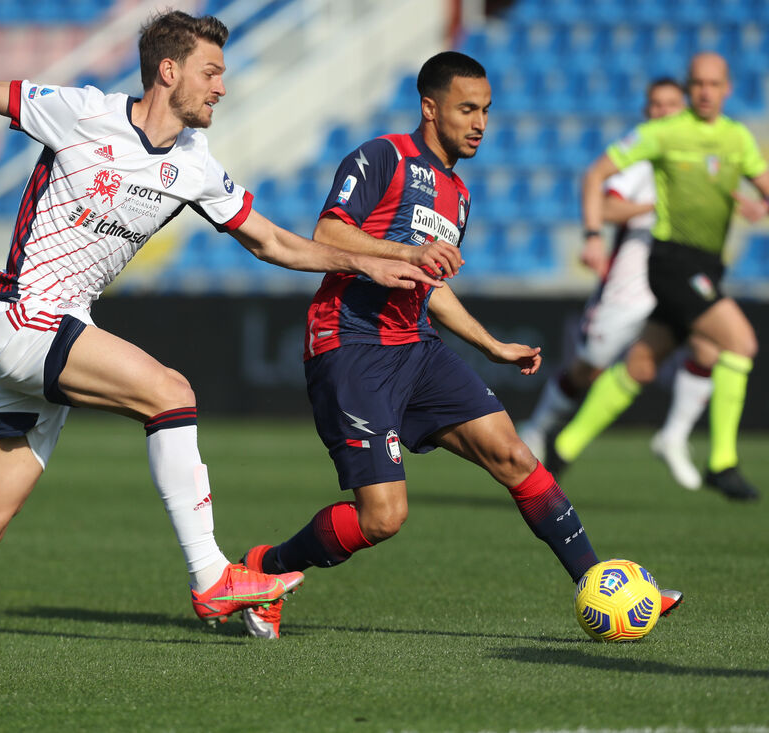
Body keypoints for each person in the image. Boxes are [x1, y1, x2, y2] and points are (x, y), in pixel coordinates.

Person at [0, 10, 443, 637]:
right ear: (168, 71)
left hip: (51, 338)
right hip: (23, 318)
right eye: (211, 72)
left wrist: (367, 262)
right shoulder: (84, 112)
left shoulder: (195, 167)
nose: (221, 88)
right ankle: (212, 577)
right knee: (171, 393)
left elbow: (274, 242)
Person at [236, 52, 682, 639]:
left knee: (515, 456)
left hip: (416, 347)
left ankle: (599, 579)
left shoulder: (458, 194)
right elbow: (330, 232)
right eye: (467, 109)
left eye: (487, 111)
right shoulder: (384, 157)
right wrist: (408, 253)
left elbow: (433, 286)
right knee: (384, 517)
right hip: (351, 345)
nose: (480, 123)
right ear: (430, 108)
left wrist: (490, 343)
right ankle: (263, 570)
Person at [547, 52, 769, 501]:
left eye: (714, 84)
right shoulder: (663, 133)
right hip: (672, 262)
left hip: (706, 266)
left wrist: (758, 204)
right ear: (690, 88)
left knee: (644, 363)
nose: (705, 92)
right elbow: (596, 175)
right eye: (698, 84)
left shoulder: (737, 139)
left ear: (728, 89)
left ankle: (563, 446)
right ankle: (722, 461)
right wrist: (592, 235)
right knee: (739, 343)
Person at [519, 78, 718, 491]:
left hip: (675, 281)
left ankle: (675, 437)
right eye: (655, 105)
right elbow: (607, 205)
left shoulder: (693, 158)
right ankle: (539, 426)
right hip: (631, 286)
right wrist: (653, 208)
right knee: (589, 366)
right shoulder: (639, 158)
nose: (662, 112)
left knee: (710, 344)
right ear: (646, 111)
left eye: (670, 105)